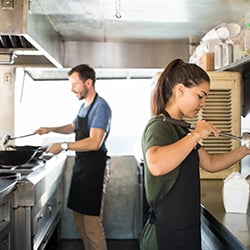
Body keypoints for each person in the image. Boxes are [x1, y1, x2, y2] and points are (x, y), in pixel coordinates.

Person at [140, 58, 250, 250]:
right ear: (180, 90)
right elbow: (156, 165)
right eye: (200, 96)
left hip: (185, 230)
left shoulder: (181, 129)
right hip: (165, 234)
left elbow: (210, 163)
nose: (203, 104)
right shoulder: (159, 126)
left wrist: (245, 149)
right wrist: (197, 134)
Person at [35, 64, 112, 250]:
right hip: (82, 168)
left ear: (88, 82)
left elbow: (95, 142)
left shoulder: (101, 107)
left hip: (94, 169)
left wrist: (63, 146)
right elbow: (72, 127)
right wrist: (51, 129)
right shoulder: (84, 106)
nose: (72, 89)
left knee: (92, 225)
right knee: (80, 222)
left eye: (74, 84)